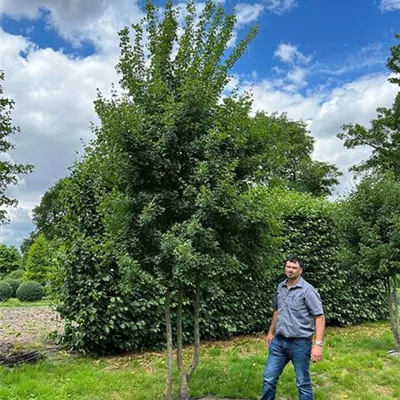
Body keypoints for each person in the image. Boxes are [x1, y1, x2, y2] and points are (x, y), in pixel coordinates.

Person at [261, 256, 325, 400]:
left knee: (303, 383)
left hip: (300, 343)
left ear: (300, 270)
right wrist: (271, 332)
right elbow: (277, 311)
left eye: (294, 268)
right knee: (269, 379)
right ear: (285, 268)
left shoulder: (308, 291)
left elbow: (319, 317)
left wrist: (318, 344)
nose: (290, 270)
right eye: (288, 267)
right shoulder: (280, 287)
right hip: (279, 342)